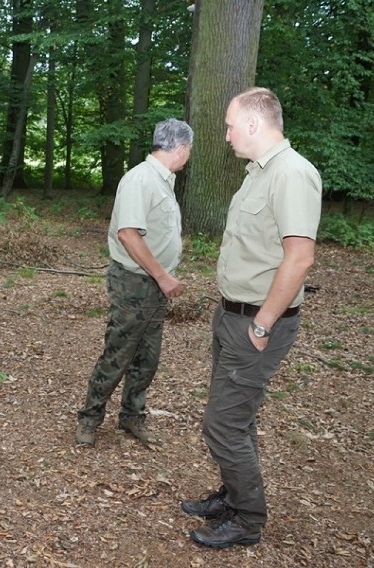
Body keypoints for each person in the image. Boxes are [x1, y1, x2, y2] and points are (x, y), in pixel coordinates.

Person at [181, 87, 322, 548]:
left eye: (229, 125)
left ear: (255, 124)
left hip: (257, 323)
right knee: (236, 419)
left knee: (222, 424)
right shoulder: (256, 174)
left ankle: (247, 520)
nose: (226, 135)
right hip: (232, 316)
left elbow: (299, 258)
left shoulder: (293, 174)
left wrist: (261, 323)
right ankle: (234, 493)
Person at [75, 118, 192, 447]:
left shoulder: (162, 180)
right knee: (119, 354)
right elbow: (128, 234)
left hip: (153, 286)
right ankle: (89, 418)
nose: (189, 155)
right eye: (189, 149)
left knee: (147, 358)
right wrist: (164, 276)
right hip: (135, 284)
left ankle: (131, 417)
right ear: (180, 148)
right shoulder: (141, 179)